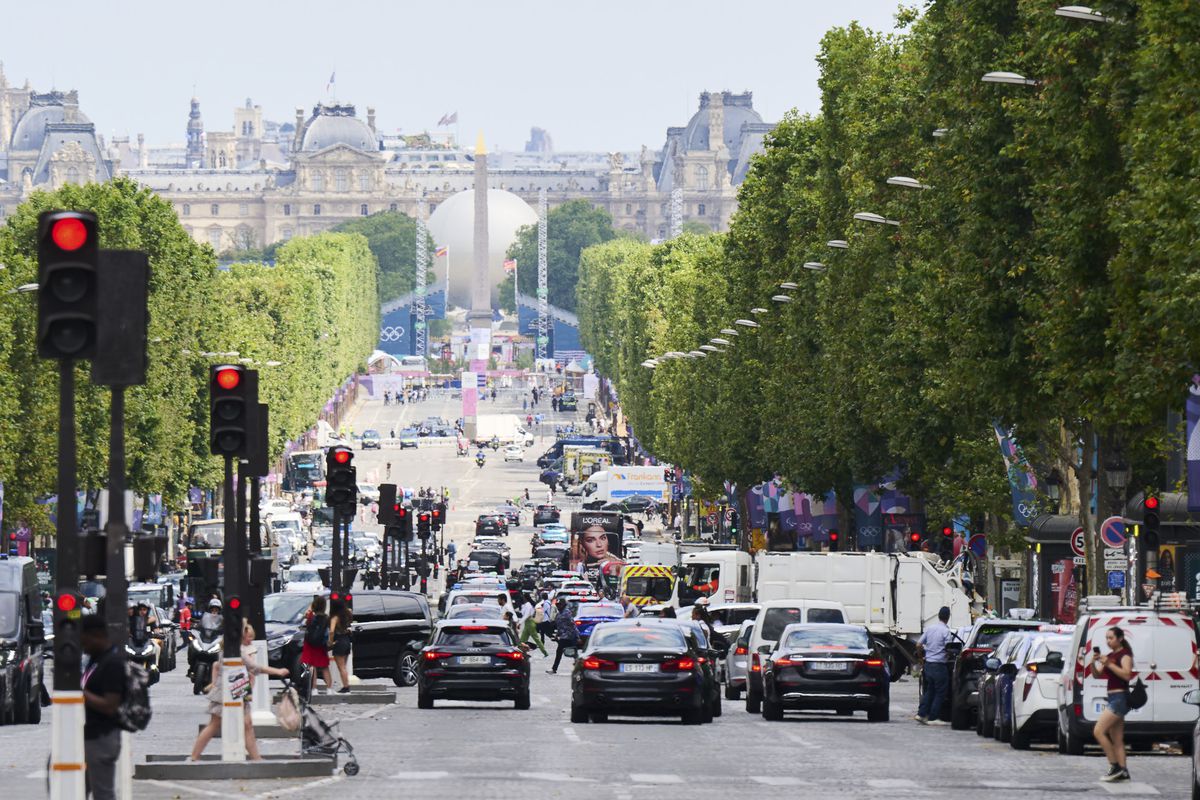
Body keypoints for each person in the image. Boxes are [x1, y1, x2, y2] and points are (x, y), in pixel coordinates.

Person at [191, 621, 289, 762]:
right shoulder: (236, 650)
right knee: (216, 725)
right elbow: (255, 667)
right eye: (247, 634)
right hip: (229, 691)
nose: (250, 638)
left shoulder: (232, 648)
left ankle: (257, 758)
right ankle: (194, 756)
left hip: (237, 690)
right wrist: (278, 671)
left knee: (245, 725)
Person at [81, 615, 125, 800]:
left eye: (84, 640)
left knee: (103, 793)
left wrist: (79, 692)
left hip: (102, 738)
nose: (83, 646)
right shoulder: (96, 660)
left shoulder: (112, 663)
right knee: (76, 786)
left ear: (97, 635)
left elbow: (110, 705)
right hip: (90, 735)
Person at [1091, 627, 1134, 782]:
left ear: (1120, 638)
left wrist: (1109, 663)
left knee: (1098, 731)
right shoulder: (1110, 656)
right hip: (1113, 697)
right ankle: (1123, 770)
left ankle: (1114, 765)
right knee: (1116, 738)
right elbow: (1097, 675)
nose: (1108, 641)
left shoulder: (1124, 655)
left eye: (1111, 638)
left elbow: (1127, 674)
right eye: (1107, 638)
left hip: (1119, 698)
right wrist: (1093, 662)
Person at [915, 606, 953, 726]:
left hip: (928, 665)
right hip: (939, 665)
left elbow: (918, 644)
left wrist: (921, 658)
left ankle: (921, 714)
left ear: (939, 616)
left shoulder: (930, 629)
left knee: (930, 690)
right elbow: (949, 648)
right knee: (941, 691)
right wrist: (948, 655)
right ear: (948, 617)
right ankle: (933, 717)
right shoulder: (946, 631)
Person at [301, 597, 333, 695]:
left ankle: (314, 689)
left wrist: (311, 606)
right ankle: (329, 689)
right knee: (324, 667)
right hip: (321, 645)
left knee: (312, 666)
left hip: (310, 644)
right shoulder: (327, 618)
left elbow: (303, 620)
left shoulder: (310, 617)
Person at [547, 598, 579, 674]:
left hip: (569, 636)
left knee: (573, 653)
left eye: (560, 605)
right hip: (563, 636)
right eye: (557, 605)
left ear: (563, 605)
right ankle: (554, 669)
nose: (558, 606)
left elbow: (573, 624)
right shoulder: (558, 614)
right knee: (560, 652)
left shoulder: (567, 613)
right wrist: (556, 635)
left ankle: (579, 668)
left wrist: (577, 636)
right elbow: (559, 627)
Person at [329, 598, 354, 693]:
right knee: (344, 666)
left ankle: (346, 687)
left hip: (339, 641)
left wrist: (331, 642)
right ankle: (345, 685)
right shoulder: (348, 614)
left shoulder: (335, 617)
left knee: (341, 667)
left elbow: (331, 631)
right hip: (347, 640)